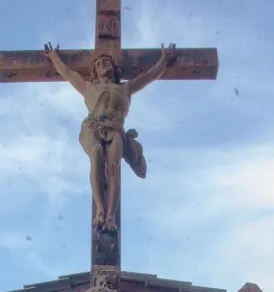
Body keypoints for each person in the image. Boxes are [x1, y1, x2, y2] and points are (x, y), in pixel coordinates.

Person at [43, 42, 176, 230]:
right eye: (99, 64)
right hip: (92, 127)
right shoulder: (88, 87)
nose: (104, 65)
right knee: (96, 153)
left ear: (114, 68)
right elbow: (67, 73)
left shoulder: (125, 89)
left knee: (113, 167)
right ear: (94, 71)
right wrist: (54, 57)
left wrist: (164, 60)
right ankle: (99, 209)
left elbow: (148, 77)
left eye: (107, 63)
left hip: (115, 129)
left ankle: (111, 216)